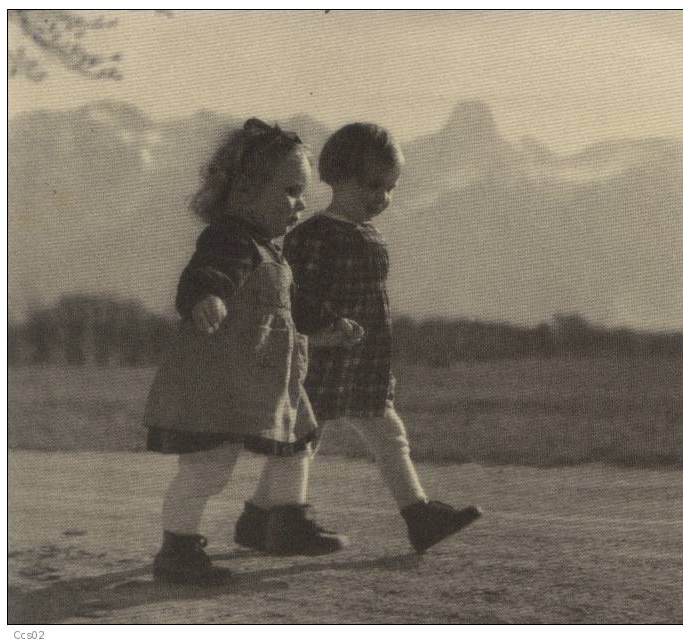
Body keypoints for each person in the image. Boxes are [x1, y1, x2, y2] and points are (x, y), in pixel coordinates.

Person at [143, 118, 348, 586]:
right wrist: (208, 296)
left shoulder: (269, 250)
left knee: (299, 444)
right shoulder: (230, 239)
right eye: (291, 190)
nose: (301, 203)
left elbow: (291, 305)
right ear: (246, 190)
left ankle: (283, 521)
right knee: (206, 469)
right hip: (222, 383)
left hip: (269, 381)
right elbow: (206, 273)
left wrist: (328, 324)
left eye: (303, 191)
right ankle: (177, 548)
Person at [284, 122, 481, 554]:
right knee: (303, 441)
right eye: (371, 185)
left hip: (363, 365)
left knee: (386, 434)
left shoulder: (370, 236)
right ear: (336, 177)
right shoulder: (314, 236)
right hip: (319, 361)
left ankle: (419, 516)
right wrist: (324, 327)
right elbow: (293, 297)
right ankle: (273, 512)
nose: (382, 197)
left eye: (390, 187)